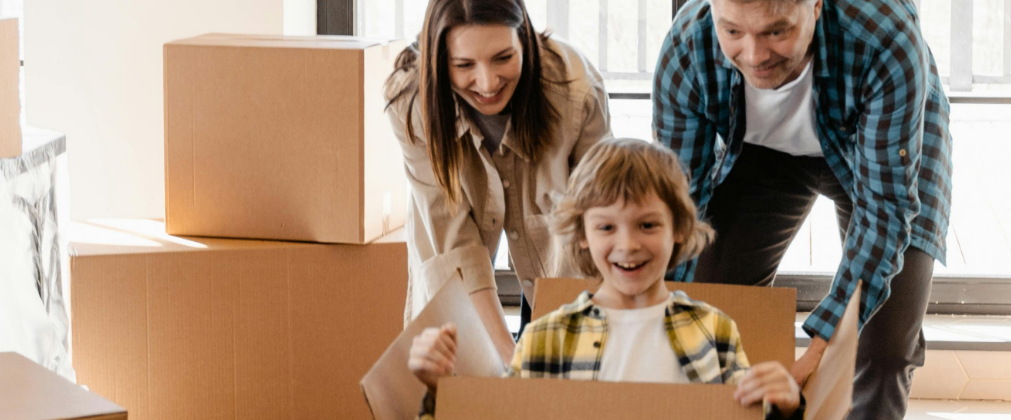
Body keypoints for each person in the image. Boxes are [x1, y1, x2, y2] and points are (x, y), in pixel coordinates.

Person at [653, 0, 953, 418]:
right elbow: (679, 203)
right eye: (733, 32)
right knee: (713, 305)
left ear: (814, 7)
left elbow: (885, 211)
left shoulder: (884, 38)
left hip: (881, 152)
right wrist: (659, 316)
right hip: (758, 155)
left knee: (882, 350)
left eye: (776, 32)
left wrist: (821, 348)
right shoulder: (689, 45)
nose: (755, 56)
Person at [408, 138, 806, 419]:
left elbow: (747, 413)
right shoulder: (545, 339)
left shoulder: (714, 330)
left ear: (679, 229)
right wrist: (438, 390)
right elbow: (502, 415)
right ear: (582, 234)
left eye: (648, 224)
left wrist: (786, 407)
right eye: (606, 228)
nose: (628, 244)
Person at [385, 0, 612, 361]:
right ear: (438, 60)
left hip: (562, 250)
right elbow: (455, 243)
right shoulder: (412, 101)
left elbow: (599, 222)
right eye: (464, 65)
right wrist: (508, 357)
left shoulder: (577, 89)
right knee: (464, 372)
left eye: (503, 58)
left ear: (525, 40)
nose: (488, 83)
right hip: (455, 251)